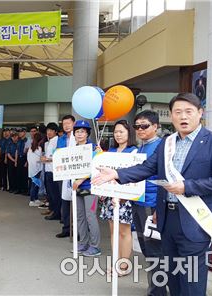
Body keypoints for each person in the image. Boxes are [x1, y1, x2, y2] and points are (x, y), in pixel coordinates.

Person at [93, 93, 212, 295]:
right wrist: (117, 173)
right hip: (167, 220)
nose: (183, 117)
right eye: (178, 112)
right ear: (171, 115)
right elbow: (147, 167)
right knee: (174, 277)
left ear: (200, 113)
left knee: (192, 282)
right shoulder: (167, 143)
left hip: (196, 222)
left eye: (189, 111)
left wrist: (187, 187)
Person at [130, 110, 167, 296]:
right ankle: (156, 287)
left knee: (154, 250)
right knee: (146, 248)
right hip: (138, 201)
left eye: (144, 125)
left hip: (152, 204)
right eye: (137, 126)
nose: (140, 129)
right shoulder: (141, 147)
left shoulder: (162, 147)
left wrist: (159, 208)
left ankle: (157, 291)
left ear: (155, 126)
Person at [98, 120, 136, 275]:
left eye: (121, 131)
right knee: (113, 230)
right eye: (116, 132)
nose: (118, 135)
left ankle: (124, 265)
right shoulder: (111, 151)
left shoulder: (134, 151)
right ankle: (115, 262)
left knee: (124, 231)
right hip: (110, 196)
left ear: (129, 133)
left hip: (125, 197)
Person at [72, 120, 101, 257]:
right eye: (77, 131)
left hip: (91, 187)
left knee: (90, 216)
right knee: (80, 217)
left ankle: (95, 246)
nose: (79, 134)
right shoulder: (73, 149)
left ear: (88, 133)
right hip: (76, 187)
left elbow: (95, 167)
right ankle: (83, 243)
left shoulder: (94, 148)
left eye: (82, 131)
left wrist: (81, 179)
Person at [56, 115, 76, 238]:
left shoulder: (79, 137)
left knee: (76, 203)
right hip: (63, 174)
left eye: (69, 123)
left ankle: (78, 230)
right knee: (65, 201)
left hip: (76, 174)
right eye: (64, 124)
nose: (67, 125)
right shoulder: (61, 139)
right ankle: (66, 228)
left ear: (74, 123)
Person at [40, 122, 60, 220]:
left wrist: (47, 159)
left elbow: (58, 156)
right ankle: (51, 209)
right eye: (48, 130)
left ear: (55, 131)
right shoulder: (48, 141)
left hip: (54, 171)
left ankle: (56, 213)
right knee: (50, 192)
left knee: (54, 193)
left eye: (51, 130)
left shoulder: (57, 141)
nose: (49, 132)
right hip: (48, 169)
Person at [27, 133, 44, 207]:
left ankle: (36, 199)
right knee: (34, 185)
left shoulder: (31, 148)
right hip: (37, 169)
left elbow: (29, 159)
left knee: (35, 184)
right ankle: (32, 200)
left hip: (32, 169)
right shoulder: (39, 148)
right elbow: (39, 159)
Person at [15, 128, 29, 195]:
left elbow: (28, 152)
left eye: (21, 132)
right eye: (19, 132)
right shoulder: (18, 140)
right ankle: (19, 189)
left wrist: (27, 161)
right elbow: (17, 151)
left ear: (24, 132)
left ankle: (25, 189)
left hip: (24, 158)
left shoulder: (27, 141)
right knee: (18, 174)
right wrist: (15, 161)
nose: (20, 133)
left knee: (24, 175)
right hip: (19, 158)